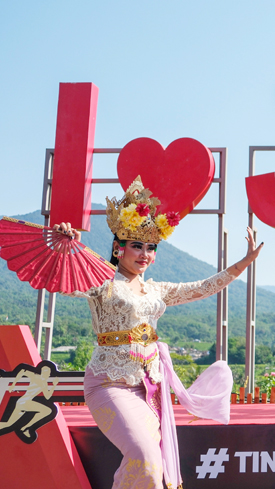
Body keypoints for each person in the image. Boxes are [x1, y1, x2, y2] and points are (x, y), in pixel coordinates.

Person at [57, 177, 263, 489]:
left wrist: (243, 263)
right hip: (109, 384)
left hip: (149, 388)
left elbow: (203, 288)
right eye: (136, 246)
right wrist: (65, 246)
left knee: (152, 470)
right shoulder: (102, 281)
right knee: (146, 459)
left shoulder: (157, 289)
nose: (144, 254)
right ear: (118, 248)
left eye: (150, 248)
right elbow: (66, 284)